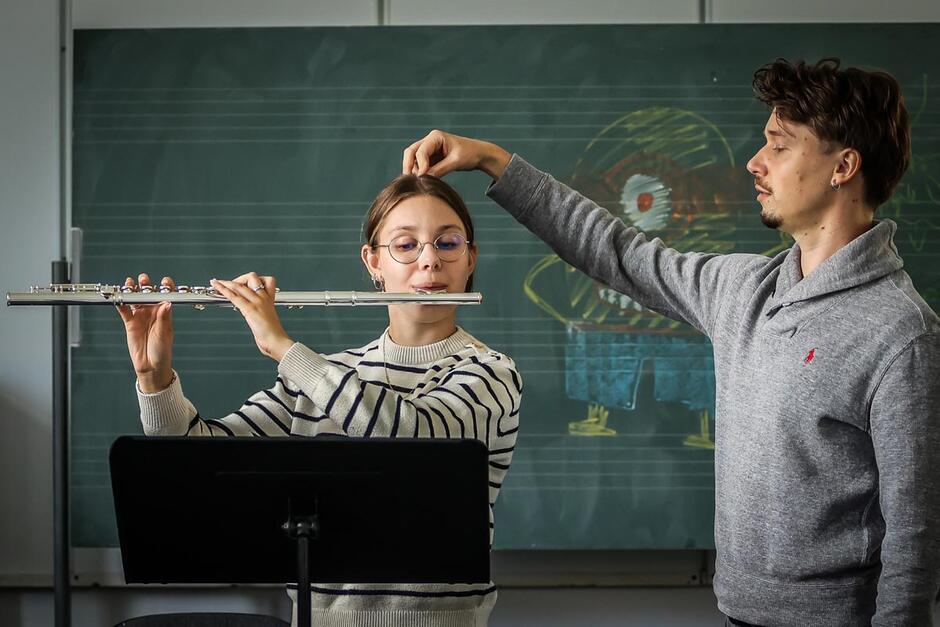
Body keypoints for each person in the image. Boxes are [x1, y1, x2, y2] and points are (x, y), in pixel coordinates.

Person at [402, 58, 940, 626]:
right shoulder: (744, 290)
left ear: (843, 167)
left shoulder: (900, 334)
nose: (755, 162)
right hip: (737, 613)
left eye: (779, 147)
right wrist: (492, 160)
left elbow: (916, 539)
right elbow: (617, 251)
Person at [117, 174, 522, 627]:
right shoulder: (316, 377)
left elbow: (415, 441)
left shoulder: (491, 373)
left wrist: (282, 347)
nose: (429, 260)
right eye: (406, 245)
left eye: (447, 244)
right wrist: (155, 379)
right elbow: (197, 462)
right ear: (373, 262)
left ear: (470, 258)